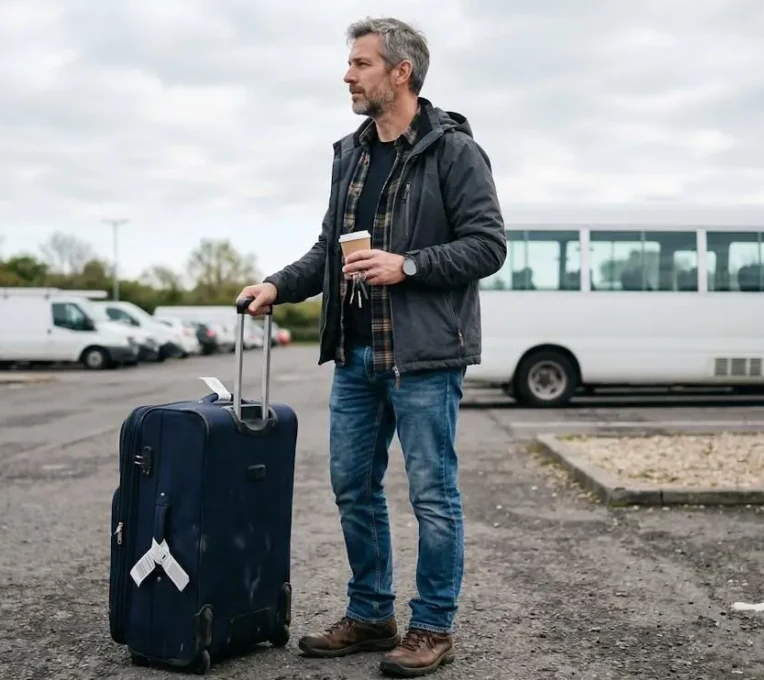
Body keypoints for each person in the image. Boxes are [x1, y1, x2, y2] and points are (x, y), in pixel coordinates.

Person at [236, 16, 506, 678]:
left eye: (360, 63)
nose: (347, 75)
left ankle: (432, 627)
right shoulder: (351, 154)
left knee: (431, 494)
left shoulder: (454, 152)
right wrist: (278, 284)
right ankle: (372, 613)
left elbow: (488, 245)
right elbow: (330, 250)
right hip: (356, 359)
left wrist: (406, 265)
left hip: (423, 361)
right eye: (350, 63)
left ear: (400, 72)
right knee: (352, 487)